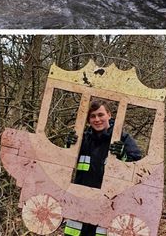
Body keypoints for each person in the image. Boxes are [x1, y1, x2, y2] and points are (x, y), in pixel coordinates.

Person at [63, 99, 141, 236]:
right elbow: (63, 163)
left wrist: (122, 155)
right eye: (92, 116)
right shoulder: (82, 139)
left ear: (109, 115)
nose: (97, 119)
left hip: (108, 205)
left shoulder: (122, 139)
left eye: (100, 115)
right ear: (88, 120)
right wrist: (68, 147)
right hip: (81, 202)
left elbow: (137, 168)